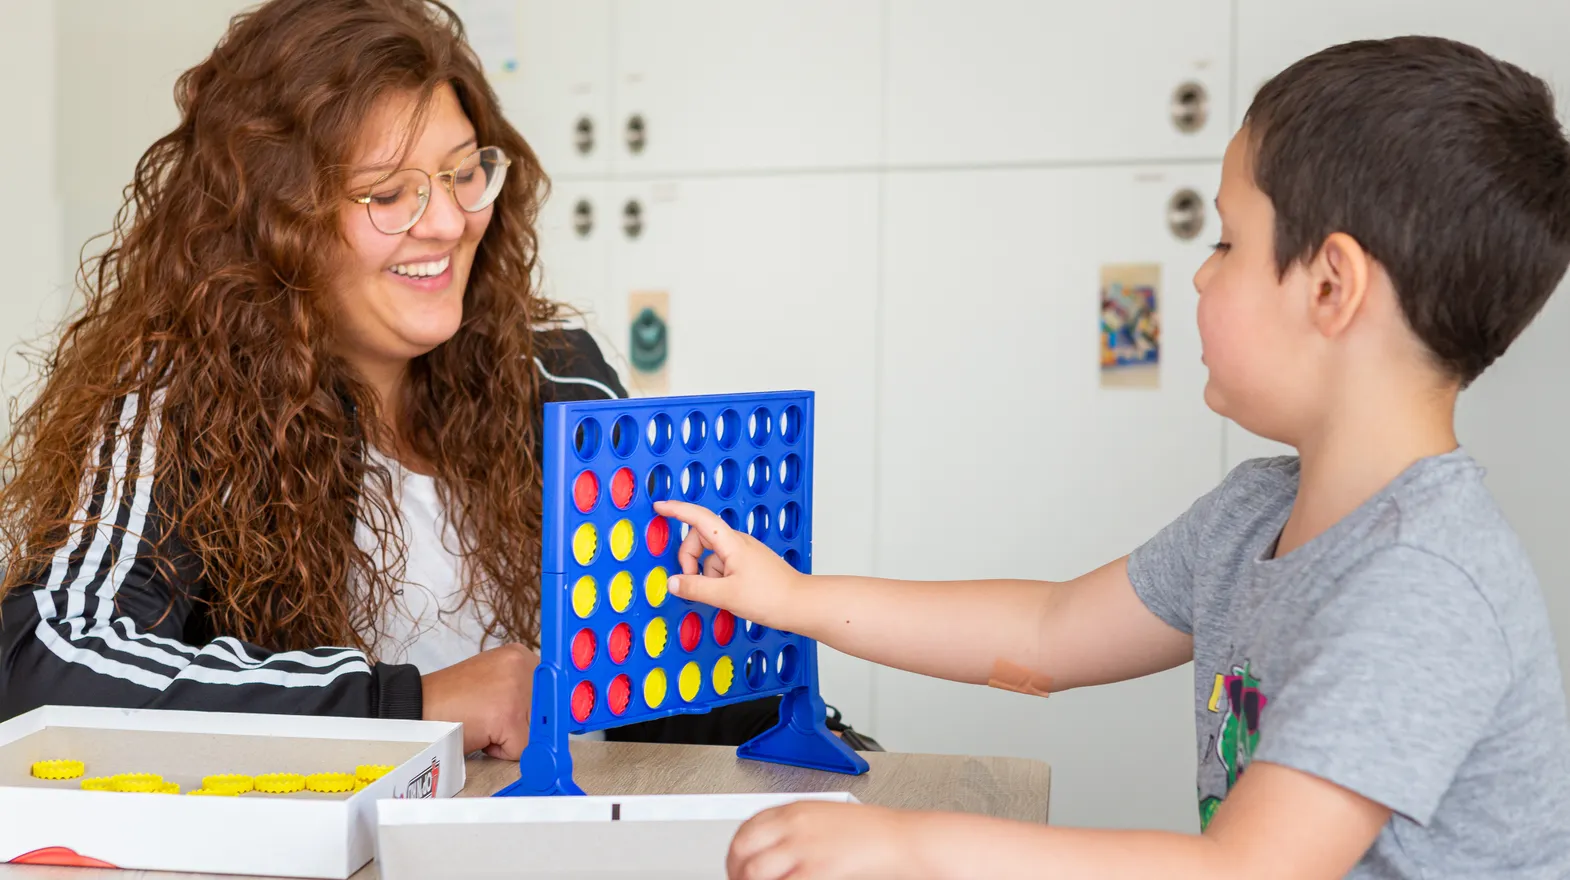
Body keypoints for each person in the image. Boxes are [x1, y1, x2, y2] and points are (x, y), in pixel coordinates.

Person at [653, 35, 1570, 879]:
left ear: (1331, 285)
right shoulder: (1256, 512)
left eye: (1227, 240)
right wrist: (791, 598)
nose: (1203, 273)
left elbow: (1242, 873)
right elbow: (1045, 636)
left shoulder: (1421, 586)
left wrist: (910, 843)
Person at [0, 0, 779, 756]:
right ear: (274, 224)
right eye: (387, 192)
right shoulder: (179, 402)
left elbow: (670, 660)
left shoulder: (558, 372)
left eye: (461, 172)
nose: (445, 222)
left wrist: (808, 739)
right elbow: (49, 667)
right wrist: (414, 705)